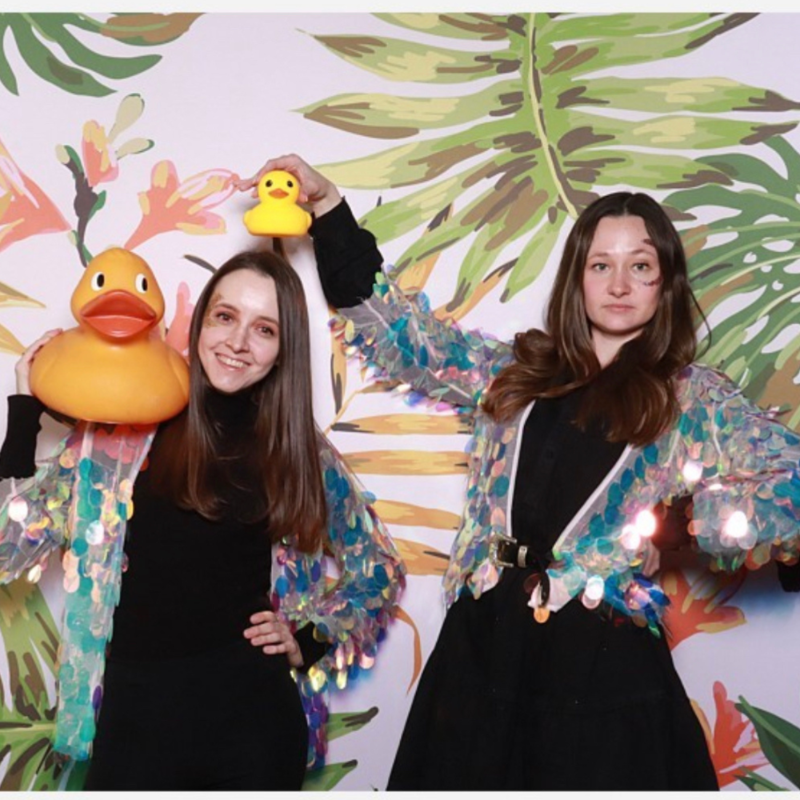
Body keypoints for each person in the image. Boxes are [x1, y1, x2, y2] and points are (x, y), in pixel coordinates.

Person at [235, 156, 800, 792]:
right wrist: (329, 209)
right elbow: (404, 336)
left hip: (602, 662)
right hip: (484, 647)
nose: (619, 283)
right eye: (600, 265)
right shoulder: (517, 372)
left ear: (664, 283)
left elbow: (794, 483)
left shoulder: (692, 398)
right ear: (577, 279)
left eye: (640, 266)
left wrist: (690, 522)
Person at [0, 249, 404, 790]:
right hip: (131, 722)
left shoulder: (299, 453)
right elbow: (6, 548)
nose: (238, 342)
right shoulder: (120, 432)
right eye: (225, 316)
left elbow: (379, 568)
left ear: (284, 351)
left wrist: (308, 636)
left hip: (251, 729)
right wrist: (26, 415)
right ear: (200, 322)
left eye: (264, 329)